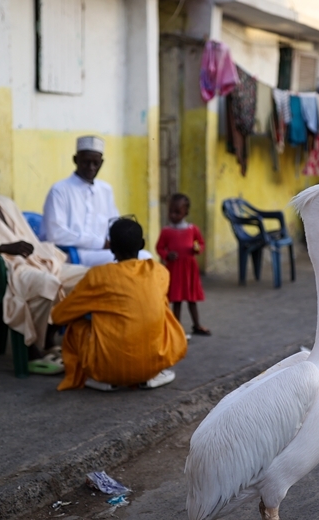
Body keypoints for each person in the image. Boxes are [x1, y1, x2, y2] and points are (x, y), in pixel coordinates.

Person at [0, 149, 87, 369]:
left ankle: (49, 337)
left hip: (31, 263)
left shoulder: (6, 203)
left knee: (85, 278)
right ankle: (32, 350)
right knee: (46, 283)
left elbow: (30, 241)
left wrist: (47, 258)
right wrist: (1, 247)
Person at [52, 218, 187, 392]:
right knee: (160, 312)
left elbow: (58, 316)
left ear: (112, 247)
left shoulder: (98, 276)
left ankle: (102, 376)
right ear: (142, 245)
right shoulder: (160, 271)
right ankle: (151, 373)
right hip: (154, 363)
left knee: (76, 324)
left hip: (106, 371)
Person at [42, 136, 152, 266]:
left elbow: (114, 224)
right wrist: (99, 243)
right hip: (75, 253)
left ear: (102, 163)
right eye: (86, 162)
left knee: (144, 257)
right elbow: (55, 234)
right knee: (136, 261)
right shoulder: (60, 190)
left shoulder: (105, 189)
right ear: (76, 160)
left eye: (96, 163)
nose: (91, 167)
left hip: (106, 251)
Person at [156, 194, 211, 336]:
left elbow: (201, 243)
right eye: (171, 212)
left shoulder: (192, 229)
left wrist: (197, 249)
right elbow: (160, 247)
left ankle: (197, 325)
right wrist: (167, 255)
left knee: (191, 298)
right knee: (177, 300)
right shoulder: (166, 231)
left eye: (177, 212)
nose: (173, 215)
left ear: (185, 213)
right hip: (174, 269)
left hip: (189, 269)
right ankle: (177, 329)